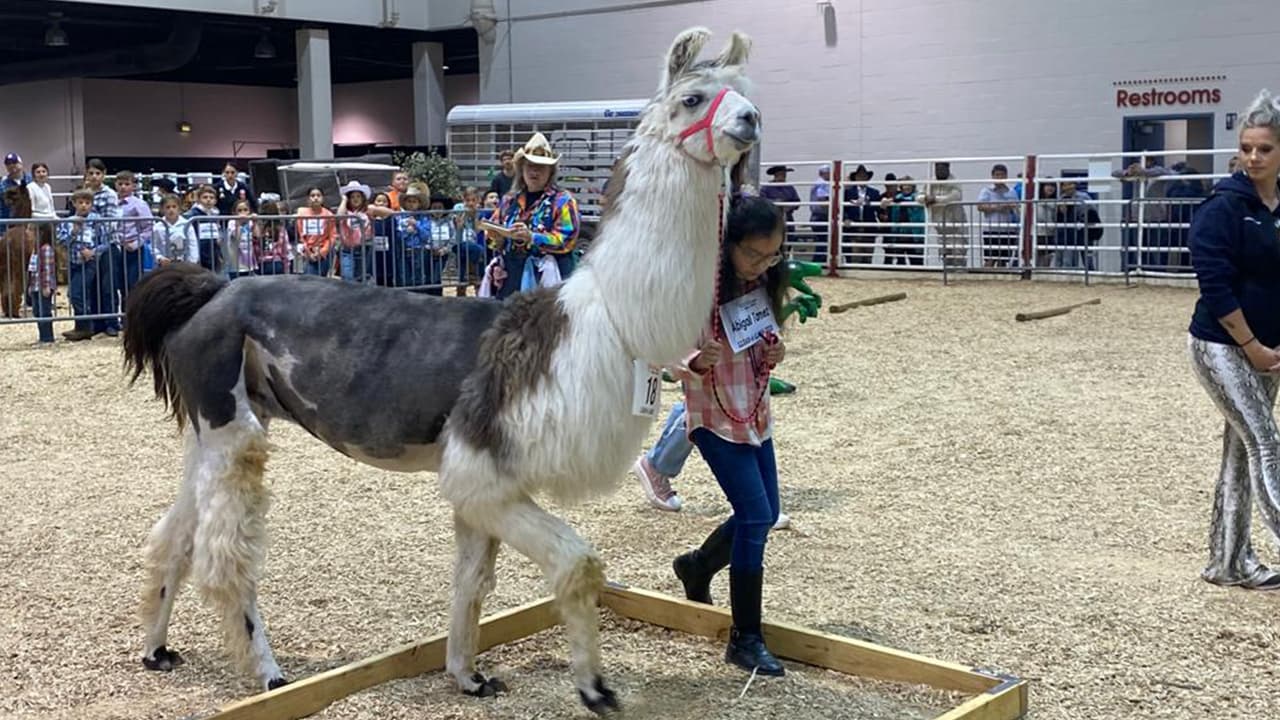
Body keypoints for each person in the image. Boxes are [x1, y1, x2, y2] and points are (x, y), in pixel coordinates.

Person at [667, 195, 789, 676]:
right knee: (757, 516)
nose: (763, 264)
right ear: (729, 245)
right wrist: (693, 361)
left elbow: (762, 340)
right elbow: (666, 349)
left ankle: (697, 565)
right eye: (754, 254)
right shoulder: (700, 288)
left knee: (768, 511)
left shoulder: (761, 285)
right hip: (713, 416)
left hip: (755, 414)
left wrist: (775, 354)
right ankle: (745, 637)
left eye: (773, 255)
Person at [1186, 89, 1280, 591]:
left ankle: (1228, 561)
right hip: (1222, 348)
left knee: (1241, 452)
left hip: (1267, 352)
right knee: (1267, 443)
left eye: (1264, 148)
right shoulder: (1224, 207)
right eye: (1247, 147)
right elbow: (1214, 284)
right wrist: (1253, 348)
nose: (1253, 157)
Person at [490, 132, 580, 299]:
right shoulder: (509, 200)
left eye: (541, 167)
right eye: (530, 165)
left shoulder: (562, 201)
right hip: (510, 281)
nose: (534, 171)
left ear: (550, 172)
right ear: (522, 169)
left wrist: (532, 237)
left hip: (547, 286)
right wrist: (497, 237)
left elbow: (566, 240)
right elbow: (496, 231)